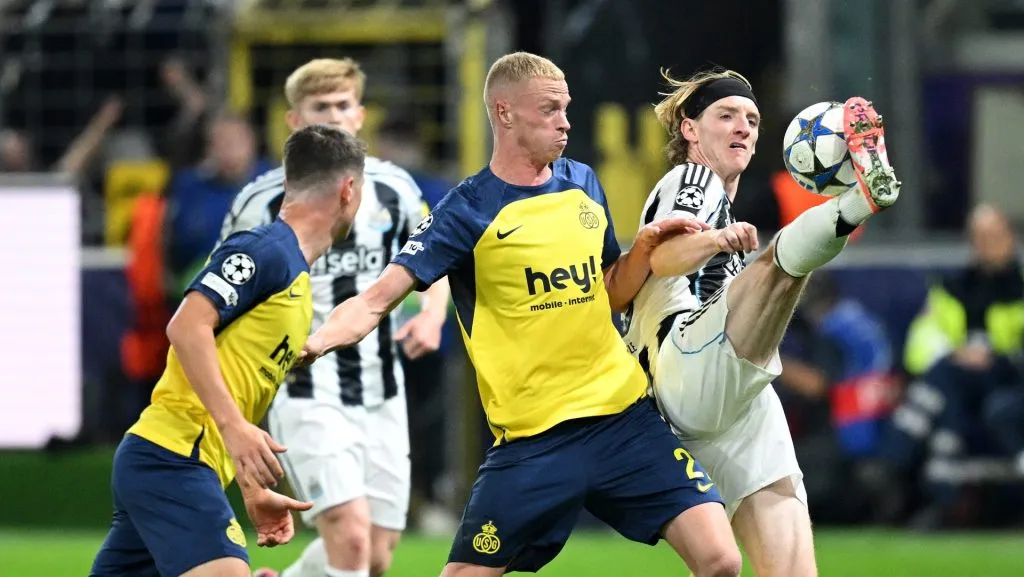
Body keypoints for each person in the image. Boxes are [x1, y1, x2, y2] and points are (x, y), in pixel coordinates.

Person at [299, 51, 741, 577]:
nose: (566, 121)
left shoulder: (582, 182)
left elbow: (610, 293)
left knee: (721, 561)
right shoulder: (467, 210)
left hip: (623, 421)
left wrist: (641, 253)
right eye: (550, 109)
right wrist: (314, 342)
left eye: (567, 108)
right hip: (533, 444)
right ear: (504, 114)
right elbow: (376, 299)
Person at [621, 68, 900, 577]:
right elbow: (662, 258)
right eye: (725, 115)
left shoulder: (722, 202)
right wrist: (715, 241)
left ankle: (854, 202)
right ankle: (860, 199)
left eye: (751, 119)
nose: (742, 127)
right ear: (689, 129)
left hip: (731, 399)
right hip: (681, 360)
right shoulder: (692, 178)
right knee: (778, 266)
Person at [89, 124, 368, 577]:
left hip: (176, 463)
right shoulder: (265, 250)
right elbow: (186, 325)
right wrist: (233, 427)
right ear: (348, 190)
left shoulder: (294, 279)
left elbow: (237, 382)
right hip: (172, 457)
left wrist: (251, 484)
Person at [219, 58, 450, 577]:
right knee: (348, 535)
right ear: (293, 121)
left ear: (361, 115)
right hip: (303, 387)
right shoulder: (258, 202)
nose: (333, 116)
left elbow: (437, 262)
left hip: (382, 387)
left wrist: (432, 316)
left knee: (375, 556)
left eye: (342, 105)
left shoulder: (396, 190)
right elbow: (224, 303)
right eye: (319, 107)